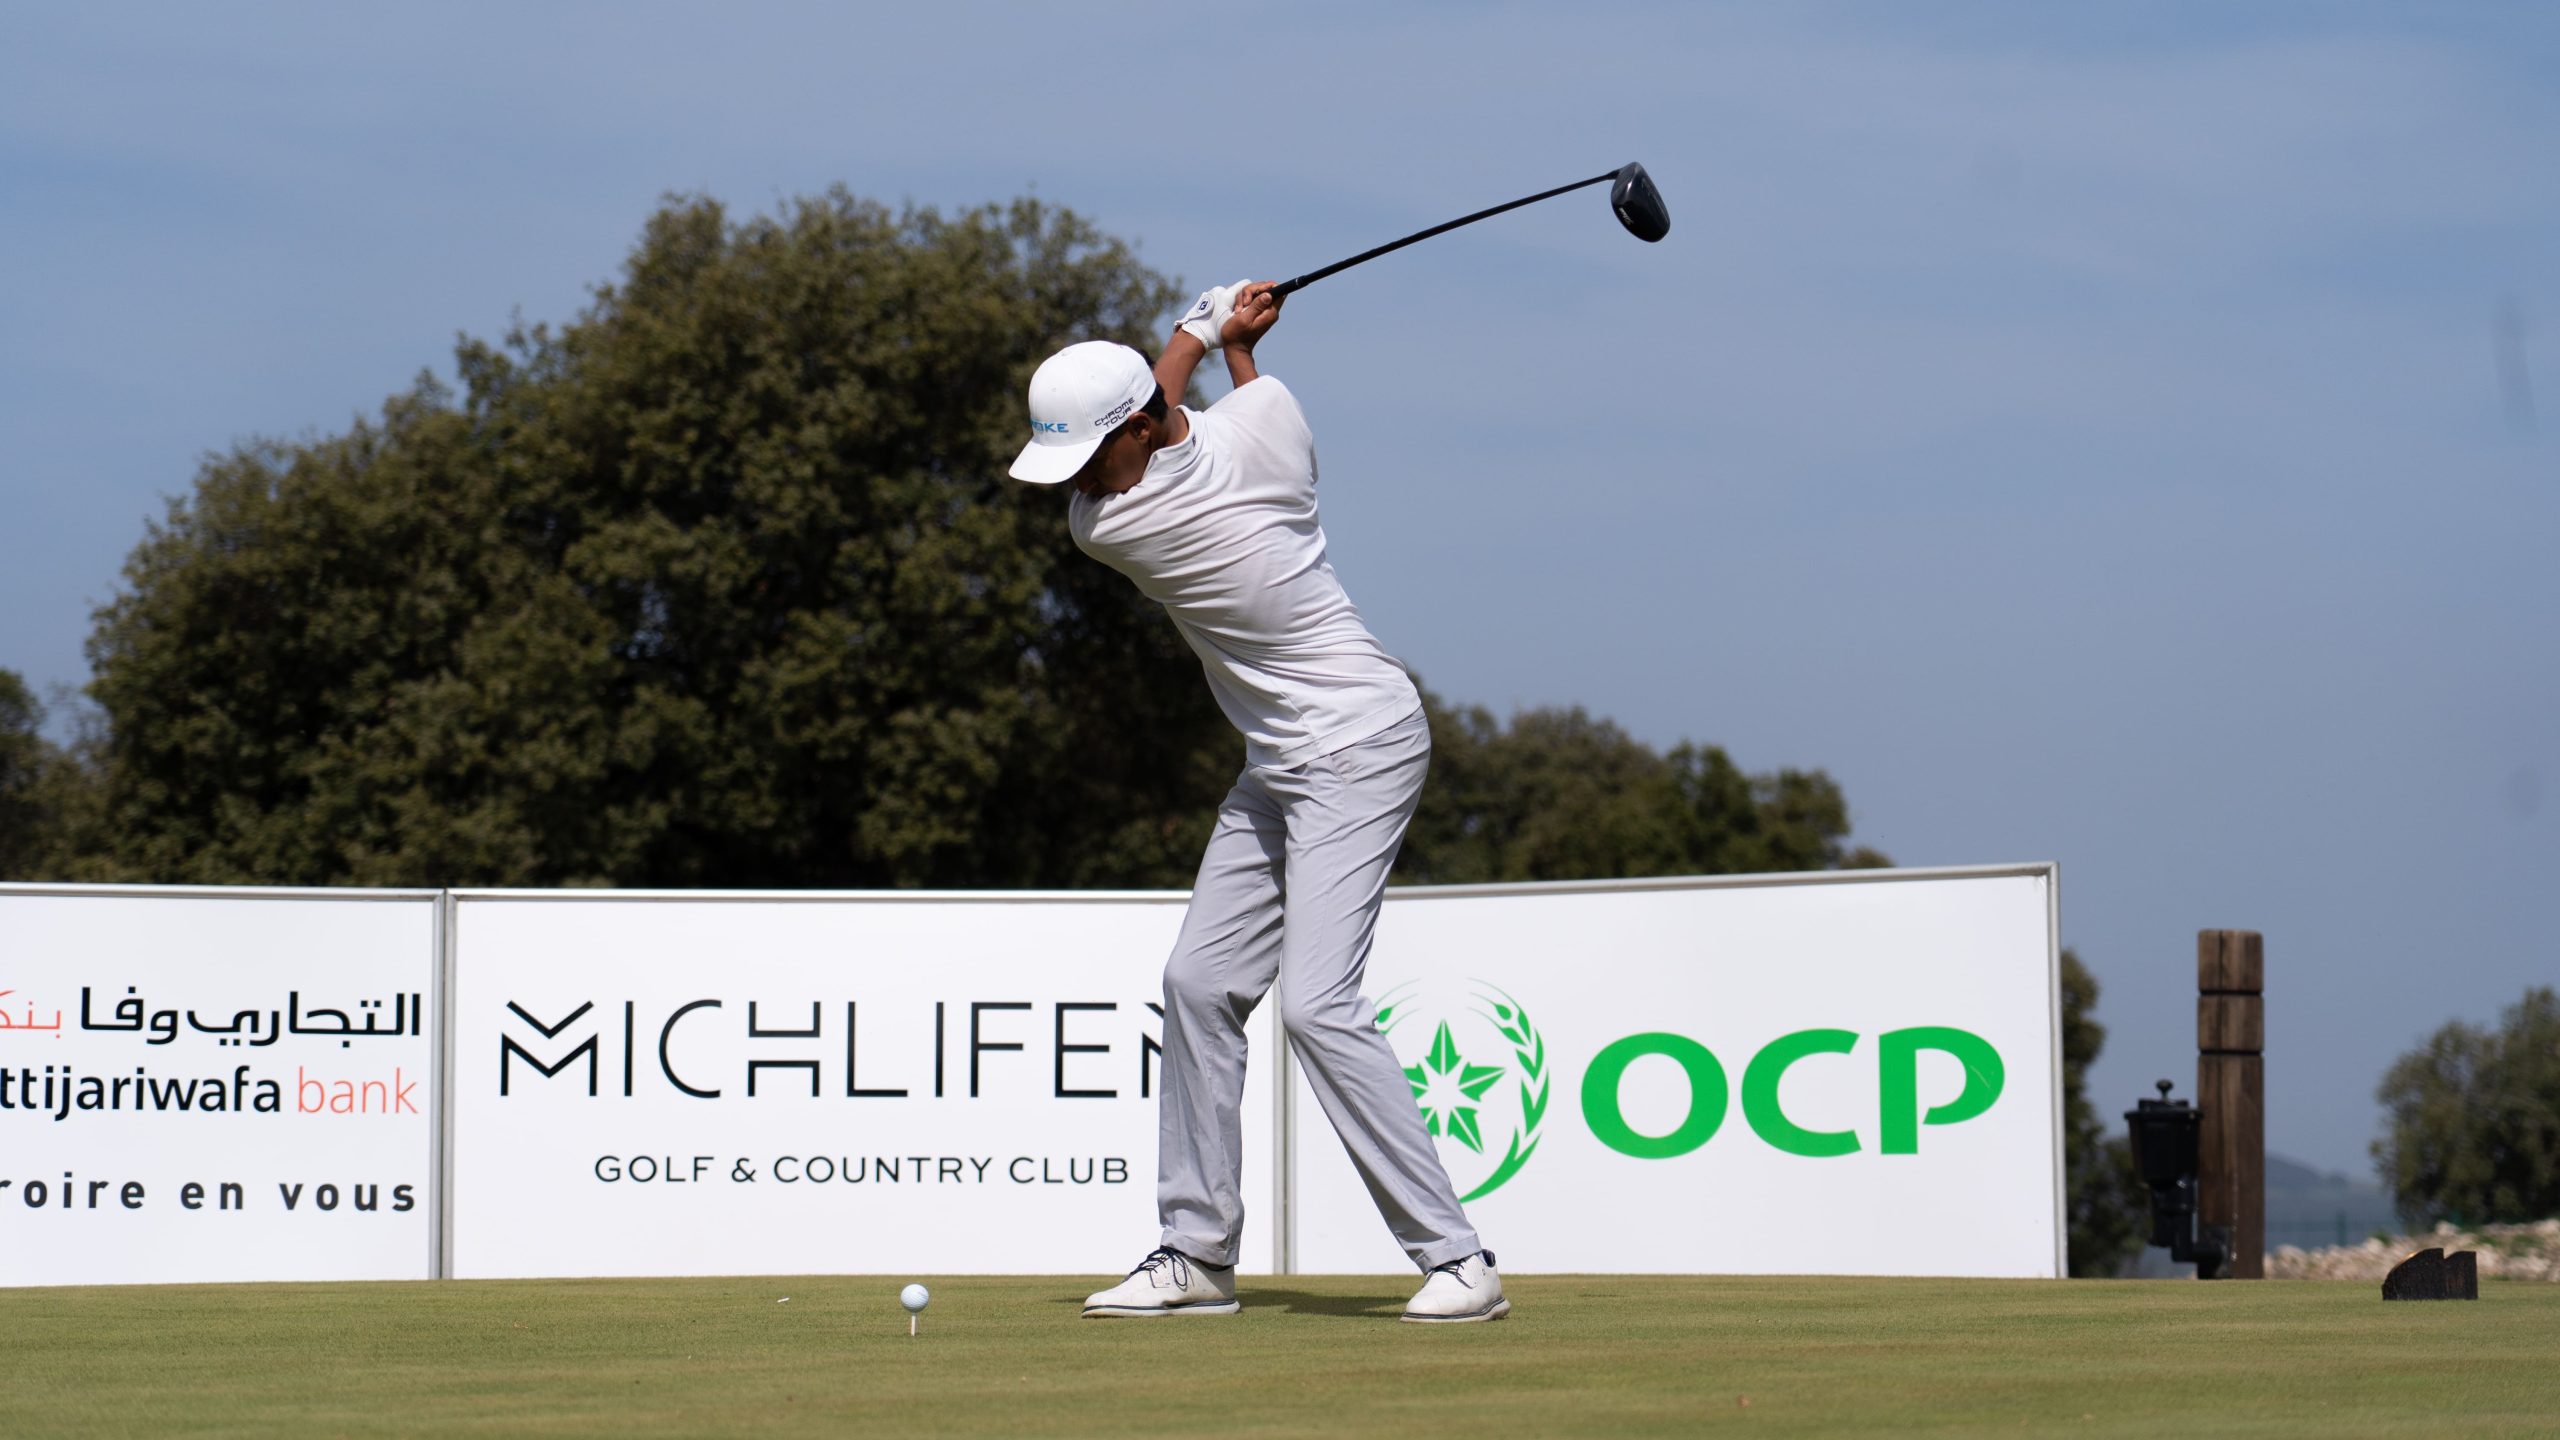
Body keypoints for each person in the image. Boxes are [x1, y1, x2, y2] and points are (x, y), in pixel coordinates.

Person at [1007, 281, 1506, 1323]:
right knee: (1197, 982)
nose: (1081, 482)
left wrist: (1199, 331)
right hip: (1282, 761)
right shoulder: (1269, 423)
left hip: (1359, 745)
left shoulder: (1122, 523)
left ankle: (1459, 1260)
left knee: (1317, 1004)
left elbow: (1171, 393)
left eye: (1090, 455)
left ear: (1139, 429)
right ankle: (1196, 1254)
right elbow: (1218, 405)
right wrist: (1228, 345)